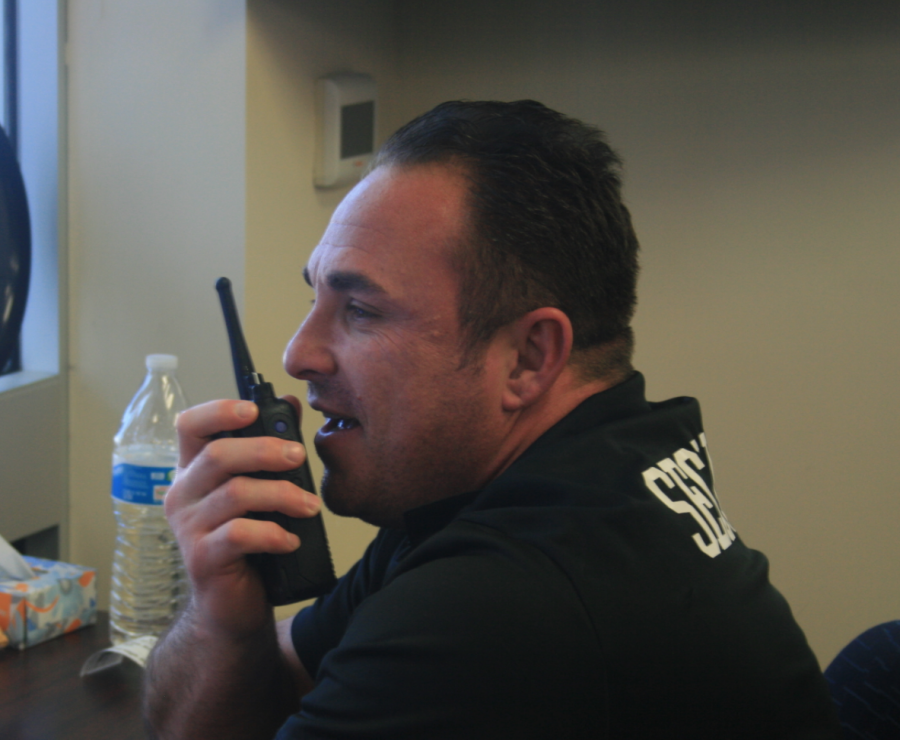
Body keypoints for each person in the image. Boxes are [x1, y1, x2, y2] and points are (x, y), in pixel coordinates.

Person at [144, 100, 841, 739]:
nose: (299, 353)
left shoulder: (496, 603)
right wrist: (221, 618)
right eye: (316, 298)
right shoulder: (580, 463)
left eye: (360, 310)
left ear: (528, 358)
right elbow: (288, 679)